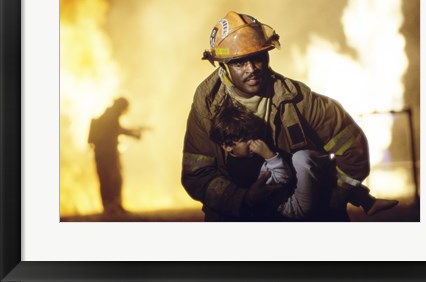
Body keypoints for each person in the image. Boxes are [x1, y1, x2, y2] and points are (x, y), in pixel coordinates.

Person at [181, 11, 395, 221]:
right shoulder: (207, 106)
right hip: (241, 215)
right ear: (224, 67)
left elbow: (352, 147)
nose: (252, 69)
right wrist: (243, 199)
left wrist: (332, 201)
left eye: (258, 58)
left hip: (299, 213)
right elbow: (197, 174)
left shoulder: (298, 99)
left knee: (305, 159)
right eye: (240, 63)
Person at [210, 101, 398, 220]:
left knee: (315, 165)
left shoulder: (246, 157)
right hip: (293, 208)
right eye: (245, 140)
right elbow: (282, 179)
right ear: (227, 146)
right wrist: (269, 156)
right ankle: (365, 200)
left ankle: (367, 202)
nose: (253, 142)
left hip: (294, 197)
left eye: (252, 136)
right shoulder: (241, 169)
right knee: (303, 159)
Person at [88, 97, 143, 215]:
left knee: (109, 179)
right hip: (107, 153)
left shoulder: (109, 115)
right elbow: (116, 130)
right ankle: (112, 206)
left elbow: (116, 129)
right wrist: (133, 134)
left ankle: (112, 206)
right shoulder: (111, 116)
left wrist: (133, 131)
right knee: (112, 179)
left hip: (104, 153)